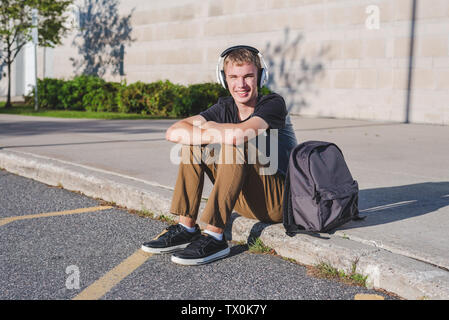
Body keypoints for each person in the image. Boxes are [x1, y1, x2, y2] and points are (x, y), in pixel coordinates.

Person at [141, 45, 297, 265]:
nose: (240, 84)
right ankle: (186, 227)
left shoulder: (272, 104)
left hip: (276, 202)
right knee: (192, 144)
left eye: (248, 76)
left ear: (260, 77)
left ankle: (215, 237)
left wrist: (209, 127)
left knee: (234, 144)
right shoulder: (224, 107)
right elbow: (173, 131)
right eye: (233, 77)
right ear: (224, 79)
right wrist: (212, 130)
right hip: (243, 198)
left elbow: (239, 136)